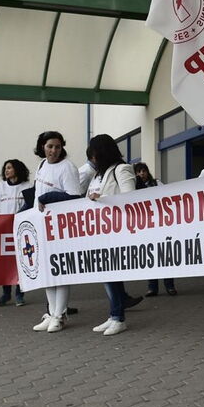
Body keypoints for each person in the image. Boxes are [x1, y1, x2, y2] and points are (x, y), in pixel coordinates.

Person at [85, 134, 137, 336]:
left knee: (112, 274)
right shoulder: (97, 175)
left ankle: (118, 317)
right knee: (106, 275)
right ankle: (114, 314)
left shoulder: (121, 169)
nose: (92, 157)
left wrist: (102, 198)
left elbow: (131, 198)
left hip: (116, 230)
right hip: (99, 231)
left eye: (94, 153)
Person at [31, 131, 81, 333]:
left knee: (59, 270)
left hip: (59, 226)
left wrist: (50, 197)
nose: (54, 150)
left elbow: (75, 197)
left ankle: (60, 315)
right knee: (46, 271)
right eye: (50, 146)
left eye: (58, 147)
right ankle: (52, 313)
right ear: (42, 147)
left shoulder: (67, 167)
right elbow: (37, 194)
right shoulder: (42, 165)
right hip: (40, 223)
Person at [0, 159, 33, 307]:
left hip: (21, 229)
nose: (6, 171)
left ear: (17, 169)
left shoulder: (28, 186)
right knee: (5, 263)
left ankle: (20, 293)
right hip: (4, 230)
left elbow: (31, 207)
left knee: (21, 261)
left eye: (9, 168)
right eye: (5, 168)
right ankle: (6, 293)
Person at [134, 163, 176, 296]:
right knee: (150, 257)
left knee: (165, 255)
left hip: (160, 224)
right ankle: (152, 287)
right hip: (145, 226)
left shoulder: (156, 183)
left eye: (143, 171)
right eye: (138, 172)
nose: (141, 174)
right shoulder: (133, 187)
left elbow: (167, 197)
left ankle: (169, 286)